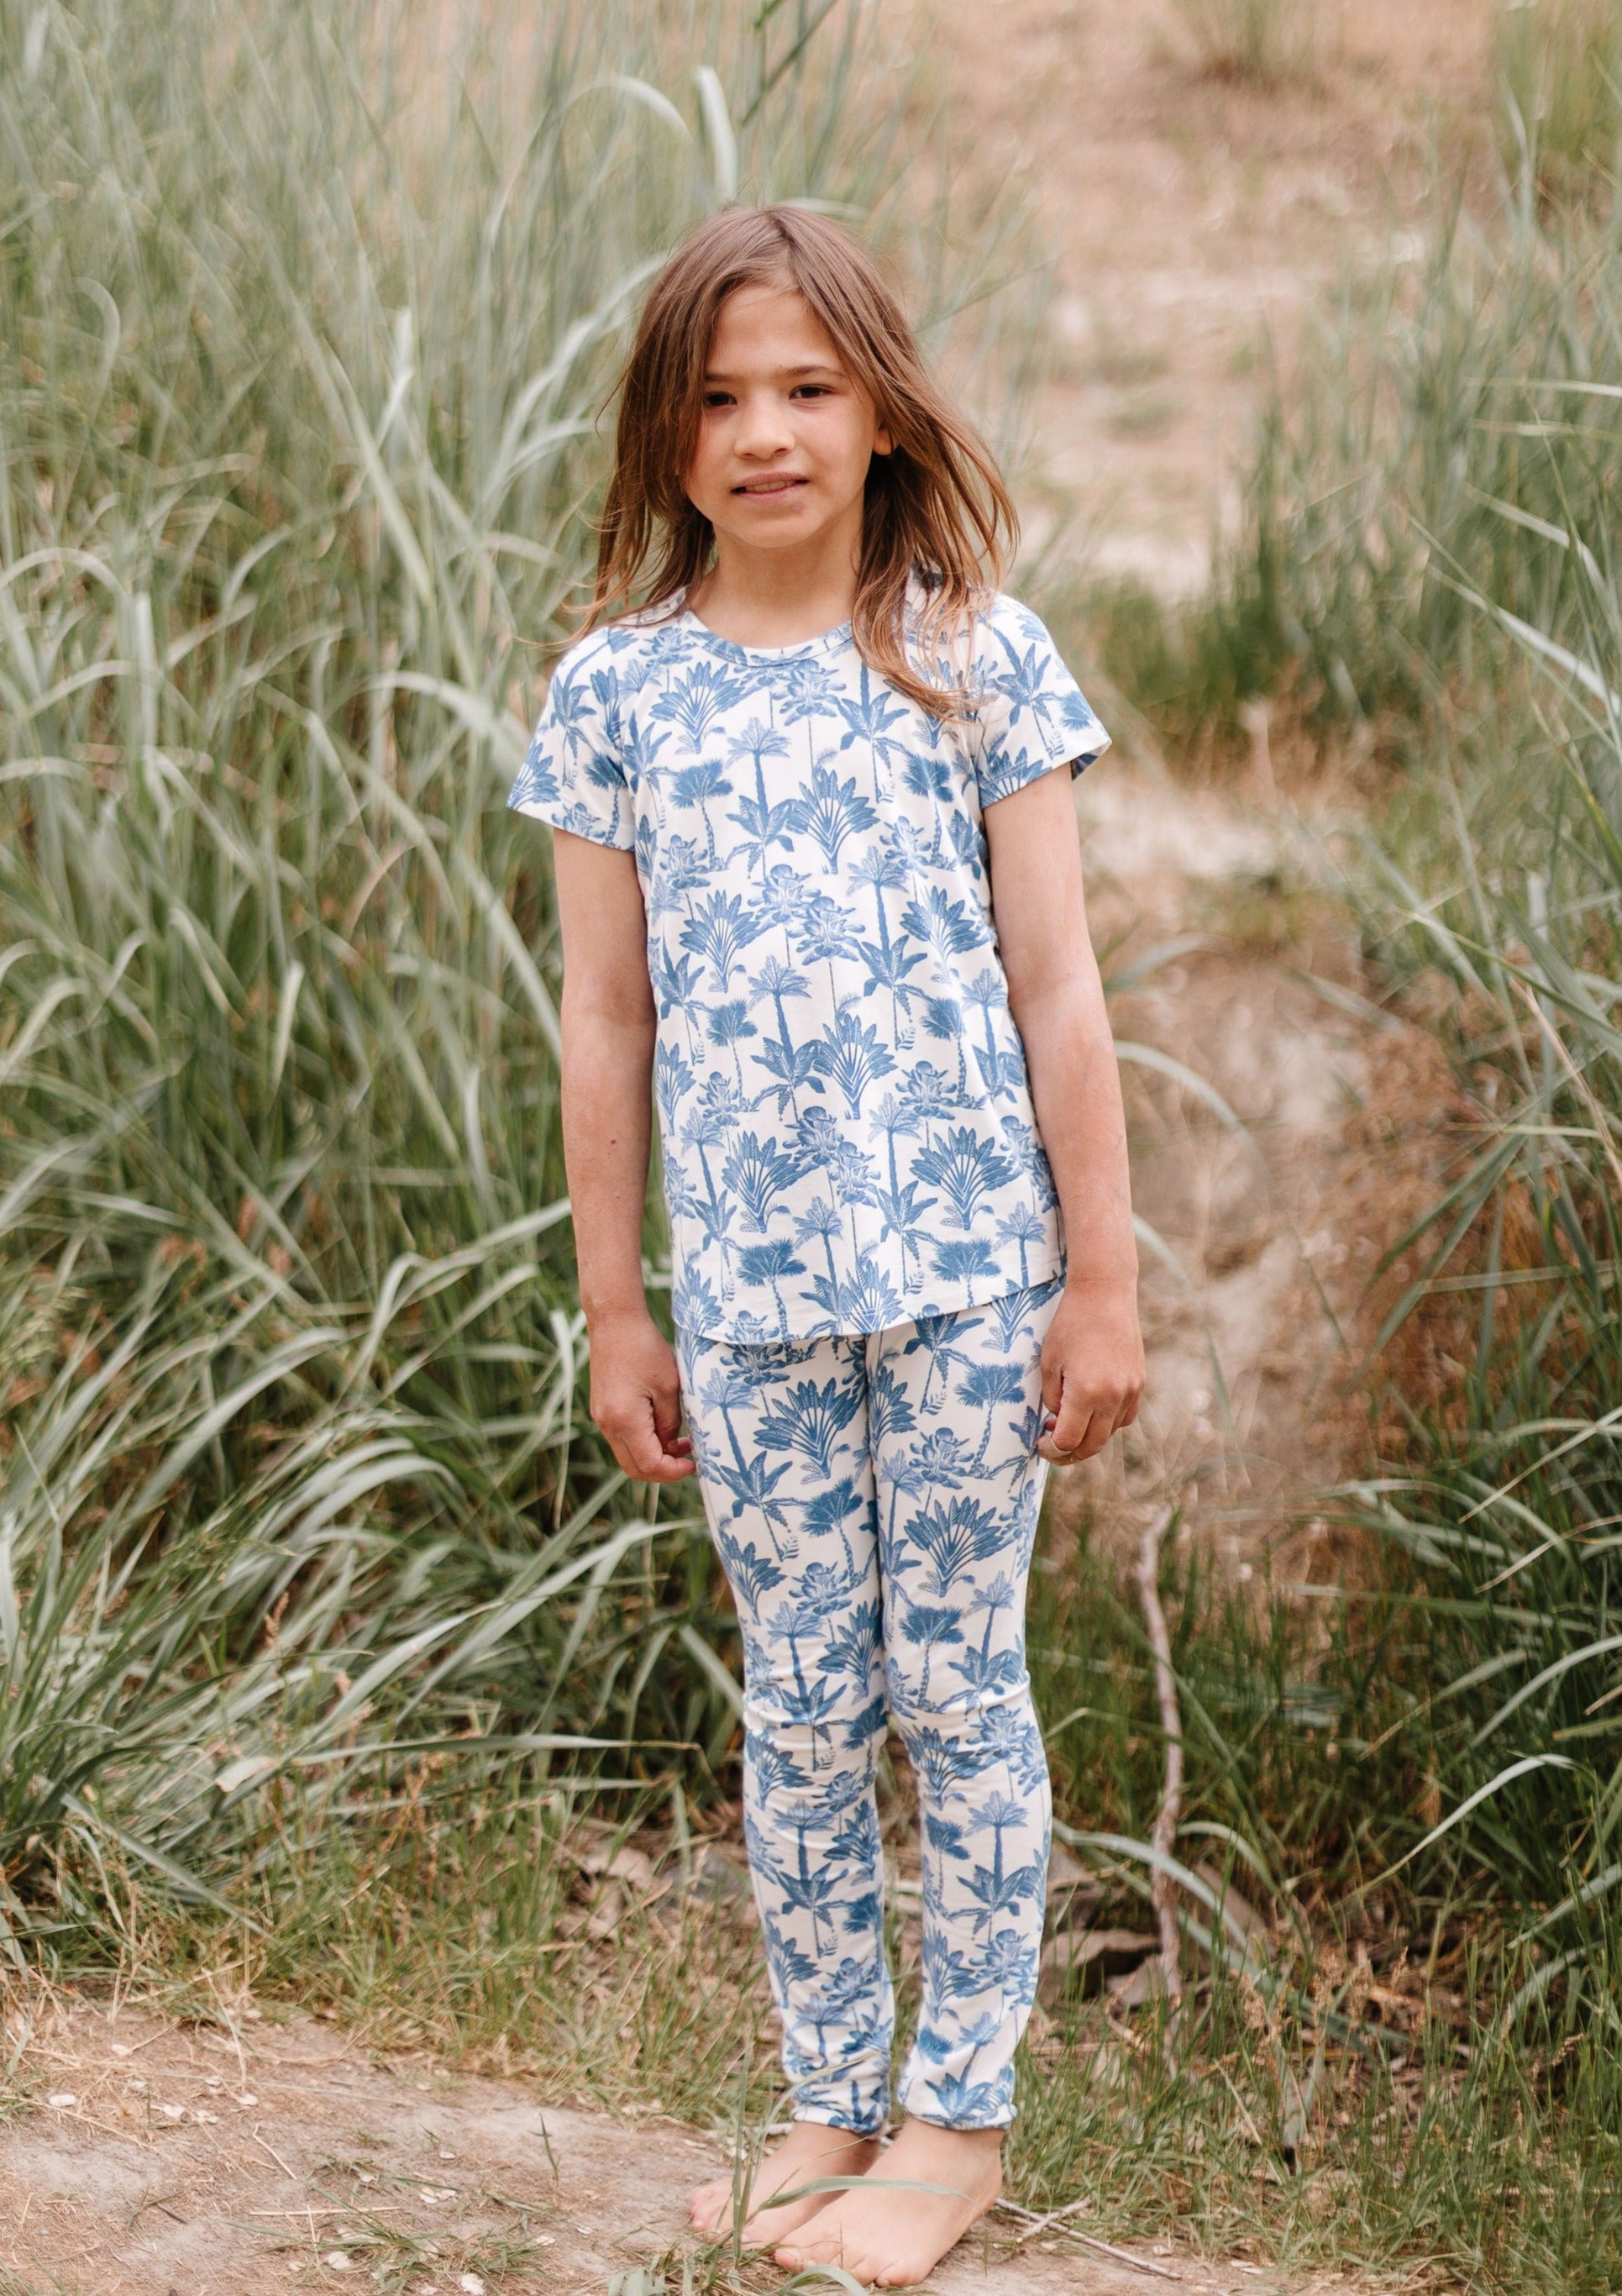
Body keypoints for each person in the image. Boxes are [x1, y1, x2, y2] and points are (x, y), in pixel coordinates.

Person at [509, 204, 1144, 2290]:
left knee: (957, 1688)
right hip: (751, 1308)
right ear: (664, 434)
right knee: (797, 1703)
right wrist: (619, 1305)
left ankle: (956, 2120)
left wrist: (1104, 1276)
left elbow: (1059, 984)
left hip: (972, 1286)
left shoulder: (972, 655)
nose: (764, 432)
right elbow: (608, 1018)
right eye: (717, 397)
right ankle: (825, 2100)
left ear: (882, 413)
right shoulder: (619, 696)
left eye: (806, 387)